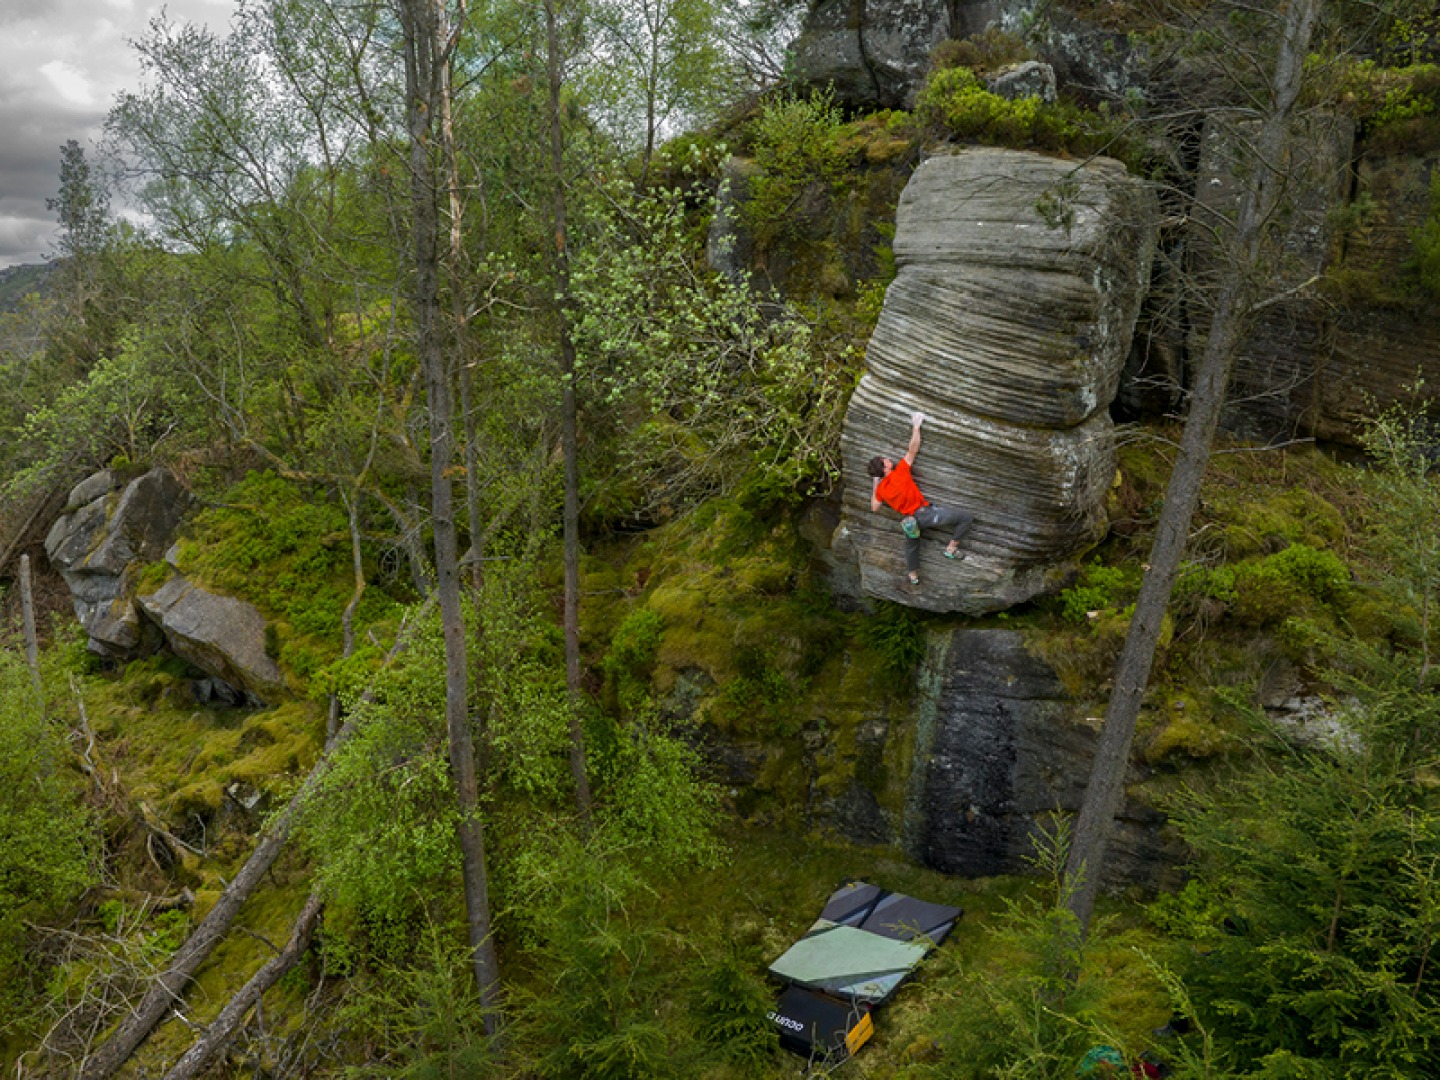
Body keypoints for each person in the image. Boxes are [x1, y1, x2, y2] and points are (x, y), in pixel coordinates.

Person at [868, 410, 974, 587]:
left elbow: (875, 508)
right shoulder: (900, 472)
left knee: (911, 546)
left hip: (911, 521)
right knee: (966, 518)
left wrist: (875, 483)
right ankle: (951, 548)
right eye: (884, 460)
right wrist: (916, 426)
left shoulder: (881, 490)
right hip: (926, 514)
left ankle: (913, 576)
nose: (887, 459)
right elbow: (913, 449)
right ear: (885, 467)